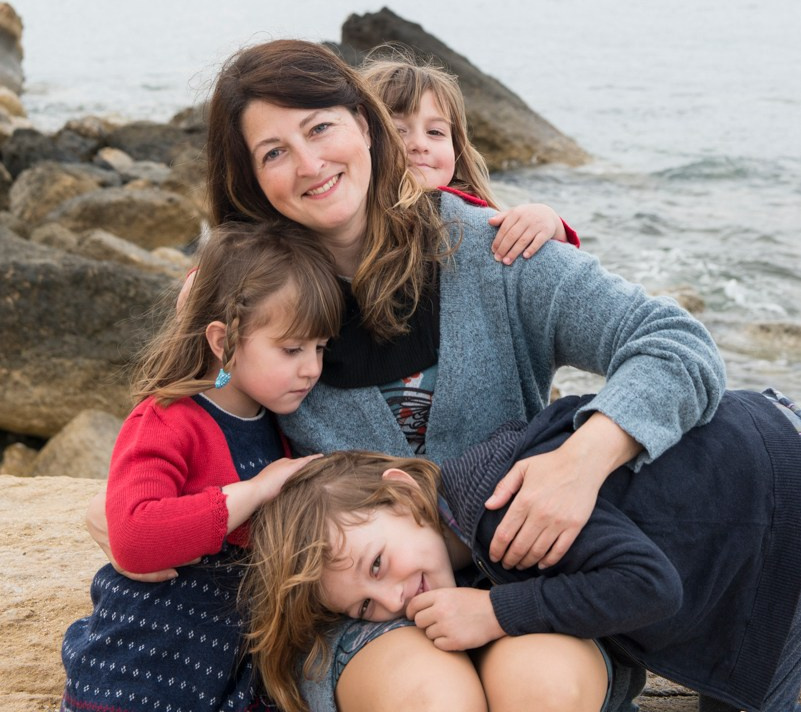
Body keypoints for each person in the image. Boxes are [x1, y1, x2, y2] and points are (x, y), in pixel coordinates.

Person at [89, 38, 726, 712]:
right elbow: (180, 423)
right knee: (430, 700)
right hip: (363, 607)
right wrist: (140, 526)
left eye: (320, 128)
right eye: (274, 152)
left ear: (363, 124)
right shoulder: (246, 310)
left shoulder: (497, 249)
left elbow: (673, 342)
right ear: (250, 181)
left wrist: (583, 460)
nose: (309, 164)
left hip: (531, 578)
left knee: (536, 690)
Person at [244, 385, 801, 712]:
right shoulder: (463, 525)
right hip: (748, 522)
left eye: (377, 564)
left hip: (780, 482)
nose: (393, 600)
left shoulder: (505, 506)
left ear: (403, 491)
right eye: (365, 607)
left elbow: (650, 586)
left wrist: (495, 612)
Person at [60, 221, 342, 712]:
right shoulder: (166, 420)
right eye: (292, 349)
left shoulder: (277, 425)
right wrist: (254, 492)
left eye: (320, 349)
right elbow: (133, 536)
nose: (312, 369)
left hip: (232, 674)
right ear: (223, 341)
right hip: (142, 669)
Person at [360, 49, 580, 263]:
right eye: (398, 130)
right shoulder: (350, 217)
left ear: (457, 149)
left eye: (435, 132)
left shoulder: (480, 221)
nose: (419, 144)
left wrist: (550, 224)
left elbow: (554, 271)